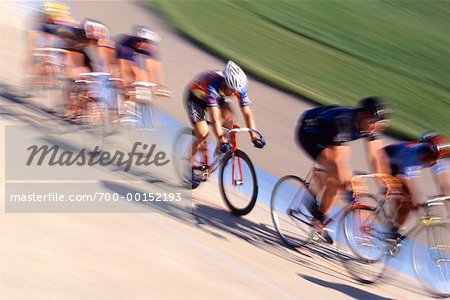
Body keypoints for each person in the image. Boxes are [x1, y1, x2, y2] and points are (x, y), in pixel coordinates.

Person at [294, 96, 390, 243]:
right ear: (362, 116)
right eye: (372, 122)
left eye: (378, 124)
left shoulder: (369, 126)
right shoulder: (344, 121)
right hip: (309, 135)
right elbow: (339, 162)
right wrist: (349, 187)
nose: (374, 127)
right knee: (338, 174)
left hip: (330, 136)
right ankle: (311, 196)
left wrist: (384, 183)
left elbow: (376, 157)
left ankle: (318, 224)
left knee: (338, 182)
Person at [185, 60, 265, 165]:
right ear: (225, 83)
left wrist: (253, 137)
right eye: (232, 90)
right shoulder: (213, 86)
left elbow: (247, 113)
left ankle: (218, 153)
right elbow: (215, 118)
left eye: (236, 90)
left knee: (229, 117)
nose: (234, 93)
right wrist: (222, 139)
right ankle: (190, 159)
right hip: (196, 98)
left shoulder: (239, 87)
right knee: (203, 133)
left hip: (217, 96)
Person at [377, 132, 450, 237]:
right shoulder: (413, 156)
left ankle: (394, 231)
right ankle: (391, 227)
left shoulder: (435, 156)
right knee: (407, 198)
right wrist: (421, 213)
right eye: (432, 157)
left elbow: (444, 184)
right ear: (425, 151)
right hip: (387, 161)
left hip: (400, 164)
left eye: (437, 158)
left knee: (408, 203)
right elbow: (412, 187)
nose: (434, 162)